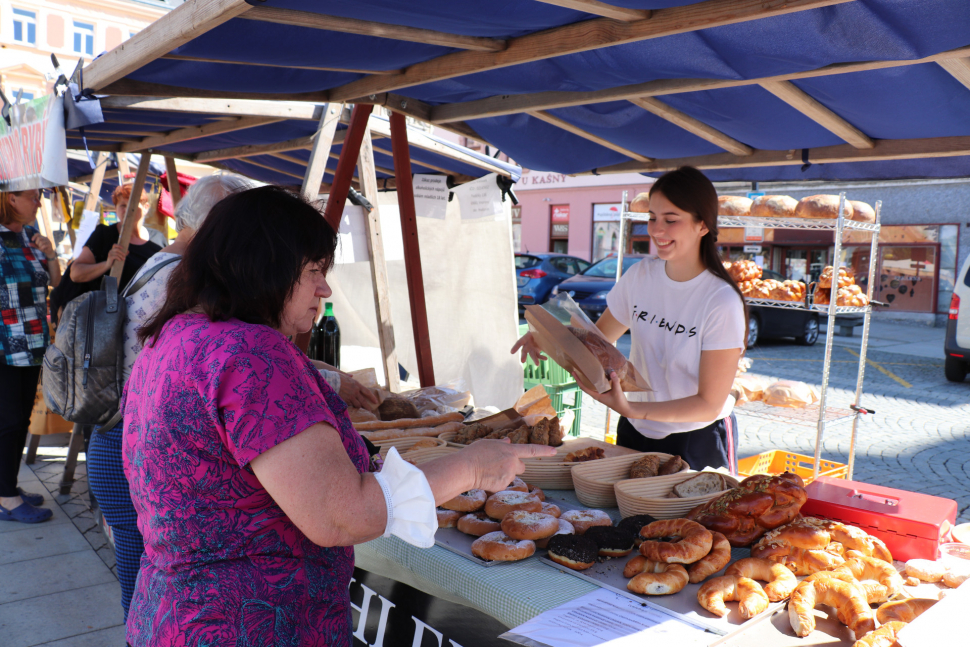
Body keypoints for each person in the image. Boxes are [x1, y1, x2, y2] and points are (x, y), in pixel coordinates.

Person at [122, 185, 553, 645]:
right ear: (264, 268)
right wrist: (472, 466)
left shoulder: (173, 337)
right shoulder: (250, 354)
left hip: (173, 615)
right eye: (313, 271)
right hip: (248, 624)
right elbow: (342, 515)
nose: (325, 288)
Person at [86, 173, 252, 622]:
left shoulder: (164, 264)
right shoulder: (181, 279)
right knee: (150, 599)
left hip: (116, 445)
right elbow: (225, 365)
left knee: (145, 595)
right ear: (211, 224)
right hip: (127, 451)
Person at [513, 167, 746, 473]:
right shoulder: (640, 276)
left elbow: (709, 403)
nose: (656, 230)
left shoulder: (720, 300)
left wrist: (633, 408)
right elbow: (597, 339)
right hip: (635, 430)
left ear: (702, 225)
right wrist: (548, 336)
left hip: (697, 438)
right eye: (652, 218)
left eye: (670, 220)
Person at [0, 189, 61, 524]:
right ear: (11, 199)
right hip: (5, 346)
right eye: (32, 196)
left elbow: (53, 283)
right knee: (9, 422)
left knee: (19, 420)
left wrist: (50, 255)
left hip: (32, 342)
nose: (39, 202)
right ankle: (6, 497)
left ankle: (8, 485)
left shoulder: (28, 235)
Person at [70, 183, 162, 290]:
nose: (128, 210)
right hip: (112, 305)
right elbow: (76, 274)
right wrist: (107, 265)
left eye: (133, 204)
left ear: (145, 208)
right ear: (116, 208)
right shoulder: (104, 235)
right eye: (123, 205)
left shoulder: (158, 239)